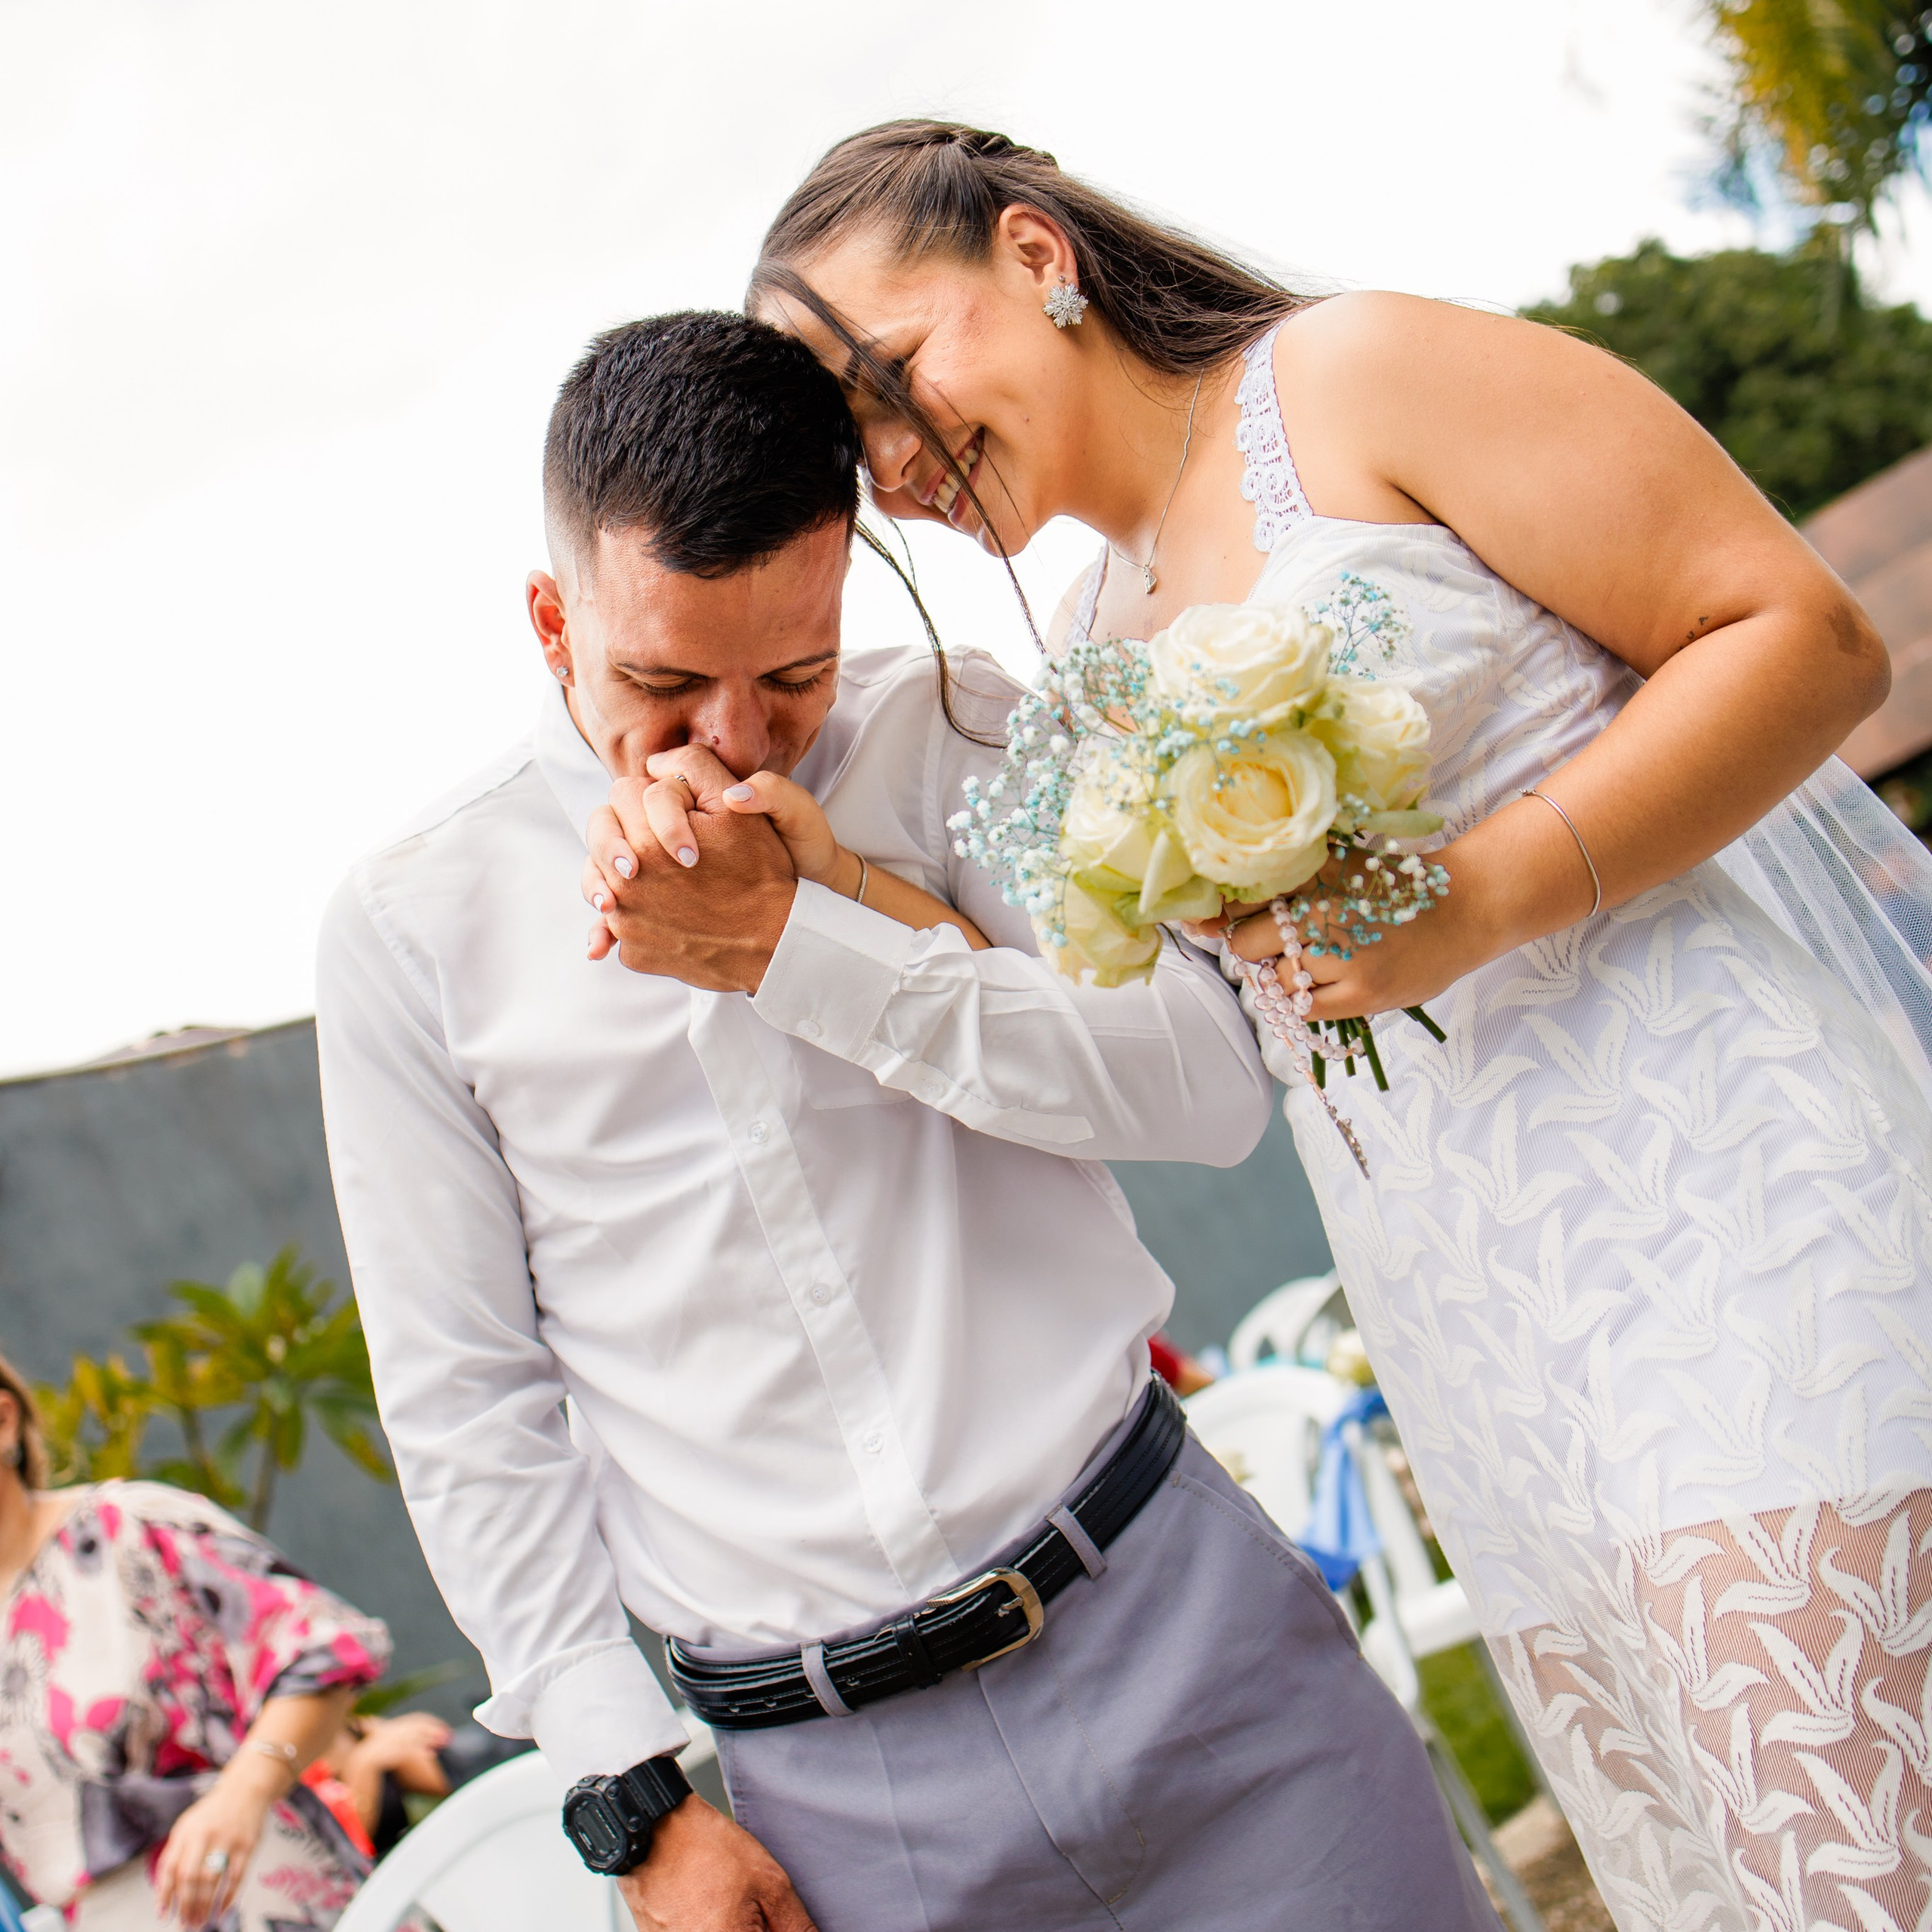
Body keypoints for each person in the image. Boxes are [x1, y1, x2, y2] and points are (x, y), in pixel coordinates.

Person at [746, 120, 1932, 1932]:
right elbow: (1160, 1041)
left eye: (893, 375)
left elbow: (1798, 633)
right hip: (1479, 1320)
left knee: (1846, 1832)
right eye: (855, 438)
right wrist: (837, 903)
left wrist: (1483, 896)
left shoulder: (1349, 377)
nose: (895, 460)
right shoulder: (1089, 643)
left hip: (1726, 1214)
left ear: (1035, 257)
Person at [315, 309, 1502, 1931]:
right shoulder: (410, 926)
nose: (733, 739)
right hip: (835, 1797)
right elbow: (466, 1394)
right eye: (663, 683)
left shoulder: (956, 731)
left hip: (1183, 1626)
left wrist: (810, 942)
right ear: (551, 623)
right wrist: (632, 1793)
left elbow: (1208, 1091)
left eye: (789, 674)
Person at [0, 1350, 392, 1929]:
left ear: (4, 1420)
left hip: (266, 1894)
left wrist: (245, 1794)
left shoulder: (127, 1528)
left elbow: (326, 1650)